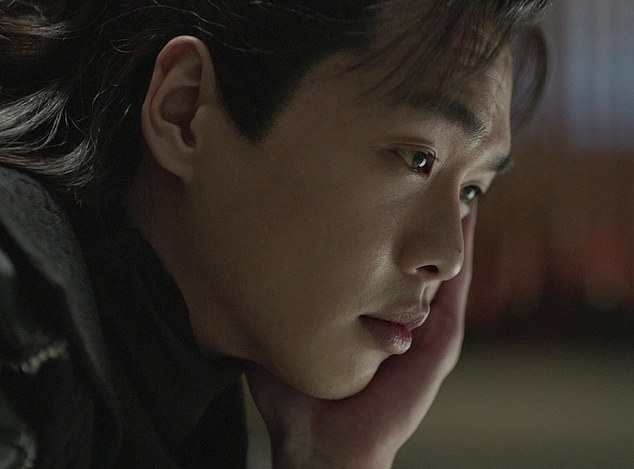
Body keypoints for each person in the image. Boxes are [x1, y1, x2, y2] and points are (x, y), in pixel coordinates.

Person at [0, 0, 548, 467]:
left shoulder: (188, 409)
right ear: (183, 111)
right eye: (417, 157)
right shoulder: (18, 337)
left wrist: (334, 461)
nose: (450, 256)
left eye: (471, 190)